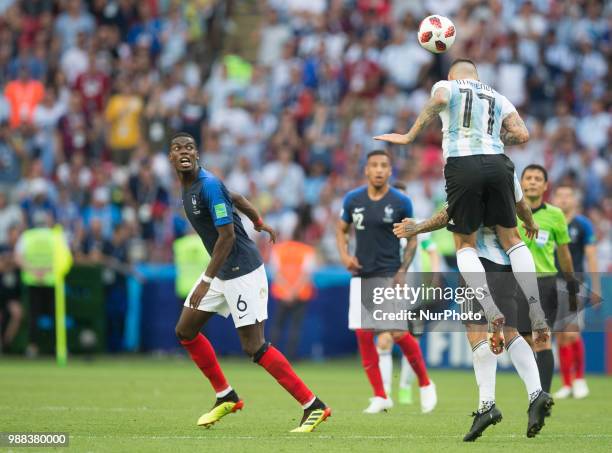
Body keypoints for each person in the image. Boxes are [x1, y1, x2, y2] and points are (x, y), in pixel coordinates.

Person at [374, 58, 548, 352]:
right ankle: (536, 307)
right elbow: (522, 134)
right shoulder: (497, 96)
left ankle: (490, 309)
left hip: (462, 164)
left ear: (453, 74)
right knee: (513, 239)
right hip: (498, 162)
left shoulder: (447, 85)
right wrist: (493, 138)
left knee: (464, 243)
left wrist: (409, 135)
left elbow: (440, 99)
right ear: (477, 75)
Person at [169, 132, 330, 433]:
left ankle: (313, 405)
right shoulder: (190, 186)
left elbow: (227, 236)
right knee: (185, 330)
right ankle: (225, 395)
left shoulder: (208, 185)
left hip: (242, 270)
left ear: (198, 154)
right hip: (222, 269)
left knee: (254, 346)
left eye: (190, 147)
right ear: (171, 157)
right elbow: (239, 198)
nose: (184, 152)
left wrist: (205, 279)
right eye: (177, 148)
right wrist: (258, 221)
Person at [394, 173, 553, 440]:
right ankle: (536, 393)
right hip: (507, 263)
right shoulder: (505, 170)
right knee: (512, 332)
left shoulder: (464, 169)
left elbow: (448, 214)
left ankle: (487, 406)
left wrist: (418, 227)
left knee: (476, 333)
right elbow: (522, 205)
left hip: (477, 264)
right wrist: (531, 222)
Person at [335, 150, 436, 414]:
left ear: (390, 171)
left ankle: (425, 384)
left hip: (389, 275)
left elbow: (413, 238)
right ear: (366, 170)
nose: (379, 170)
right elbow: (341, 229)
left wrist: (403, 269)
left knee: (398, 333)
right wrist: (345, 255)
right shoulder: (352, 199)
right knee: (363, 334)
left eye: (384, 166)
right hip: (361, 274)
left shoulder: (401, 202)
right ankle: (380, 395)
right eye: (374, 165)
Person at [376, 181, 441, 405]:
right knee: (384, 340)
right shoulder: (381, 226)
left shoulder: (418, 225)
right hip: (385, 290)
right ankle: (384, 393)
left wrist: (434, 278)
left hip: (412, 291)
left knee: (409, 340)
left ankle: (404, 386)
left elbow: (432, 252)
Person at [518, 165, 578, 395]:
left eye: (538, 179)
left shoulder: (555, 215)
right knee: (524, 340)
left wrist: (571, 281)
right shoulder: (509, 212)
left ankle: (543, 398)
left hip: (545, 283)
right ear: (521, 184)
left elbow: (564, 253)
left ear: (545, 186)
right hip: (515, 283)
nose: (532, 182)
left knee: (542, 339)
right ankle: (536, 391)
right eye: (529, 178)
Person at [551, 185, 599, 399]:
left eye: (567, 195)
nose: (563, 199)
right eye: (559, 195)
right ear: (554, 199)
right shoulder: (549, 223)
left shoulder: (582, 225)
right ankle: (567, 384)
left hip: (574, 284)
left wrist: (595, 285)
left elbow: (590, 255)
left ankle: (579, 379)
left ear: (574, 200)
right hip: (551, 283)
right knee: (560, 336)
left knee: (571, 332)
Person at [268, 224, 317, 360]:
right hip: (300, 294)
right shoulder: (307, 250)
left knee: (277, 326)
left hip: (282, 293)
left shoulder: (278, 249)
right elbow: (306, 275)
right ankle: (290, 357)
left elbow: (276, 272)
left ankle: (271, 357)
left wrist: (287, 291)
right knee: (295, 327)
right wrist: (294, 291)